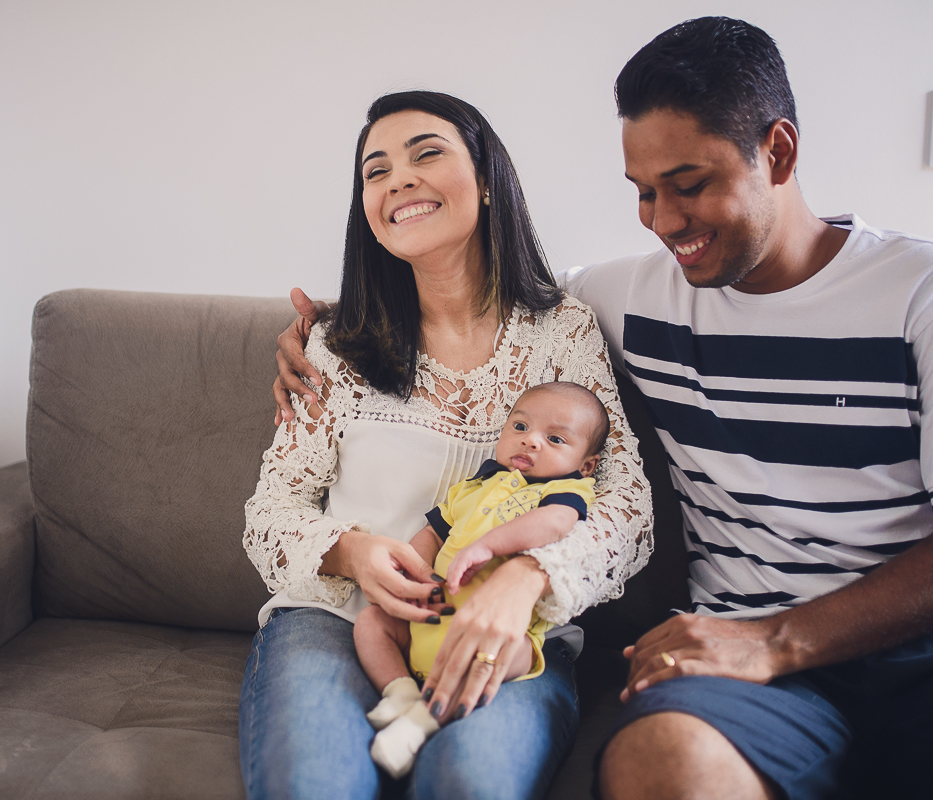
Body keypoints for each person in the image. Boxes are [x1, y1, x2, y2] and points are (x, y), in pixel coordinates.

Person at [273, 19, 933, 800]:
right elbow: (478, 289)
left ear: (780, 153)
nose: (662, 223)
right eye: (643, 193)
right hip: (736, 670)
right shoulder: (621, 299)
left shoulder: (925, 289)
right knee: (660, 766)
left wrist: (776, 641)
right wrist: (323, 322)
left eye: (688, 186)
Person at [241, 90, 653, 800]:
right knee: (313, 785)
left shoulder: (565, 332)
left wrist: (529, 578)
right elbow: (271, 508)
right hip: (337, 616)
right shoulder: (334, 347)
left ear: (488, 179)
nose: (397, 179)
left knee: (470, 784)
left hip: (508, 621)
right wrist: (351, 552)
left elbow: (627, 505)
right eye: (376, 171)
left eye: (426, 154)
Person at [357, 381, 608, 778]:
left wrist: (488, 546)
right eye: (520, 427)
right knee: (371, 623)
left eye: (555, 438)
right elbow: (434, 532)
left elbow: (556, 524)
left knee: (511, 655)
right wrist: (411, 569)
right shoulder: (472, 487)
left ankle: (421, 722)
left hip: (500, 629)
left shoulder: (565, 490)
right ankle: (400, 691)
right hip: (435, 607)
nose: (531, 442)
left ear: (587, 464)